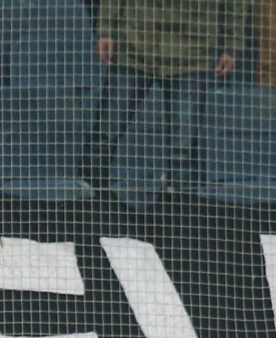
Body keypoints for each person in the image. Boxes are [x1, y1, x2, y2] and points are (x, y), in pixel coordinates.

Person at [80, 0, 247, 194]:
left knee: (184, 146)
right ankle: (89, 201)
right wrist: (106, 30)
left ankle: (184, 209)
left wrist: (232, 45)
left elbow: (236, 3)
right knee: (105, 133)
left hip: (192, 53)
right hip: (134, 47)